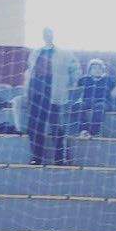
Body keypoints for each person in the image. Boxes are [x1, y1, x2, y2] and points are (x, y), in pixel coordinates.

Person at [23, 26, 80, 166]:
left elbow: (76, 70)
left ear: (53, 35)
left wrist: (66, 85)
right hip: (36, 95)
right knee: (34, 127)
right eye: (45, 33)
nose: (47, 35)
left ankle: (60, 158)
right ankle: (37, 157)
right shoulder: (35, 52)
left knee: (57, 128)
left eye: (49, 33)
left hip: (55, 96)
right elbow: (30, 72)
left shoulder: (65, 54)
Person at [73, 59, 116, 137]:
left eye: (99, 68)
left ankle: (94, 133)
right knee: (77, 106)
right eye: (94, 68)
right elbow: (73, 86)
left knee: (99, 107)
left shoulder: (110, 79)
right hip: (87, 101)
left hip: (104, 102)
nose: (97, 70)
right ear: (89, 70)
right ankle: (83, 130)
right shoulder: (84, 79)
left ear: (103, 70)